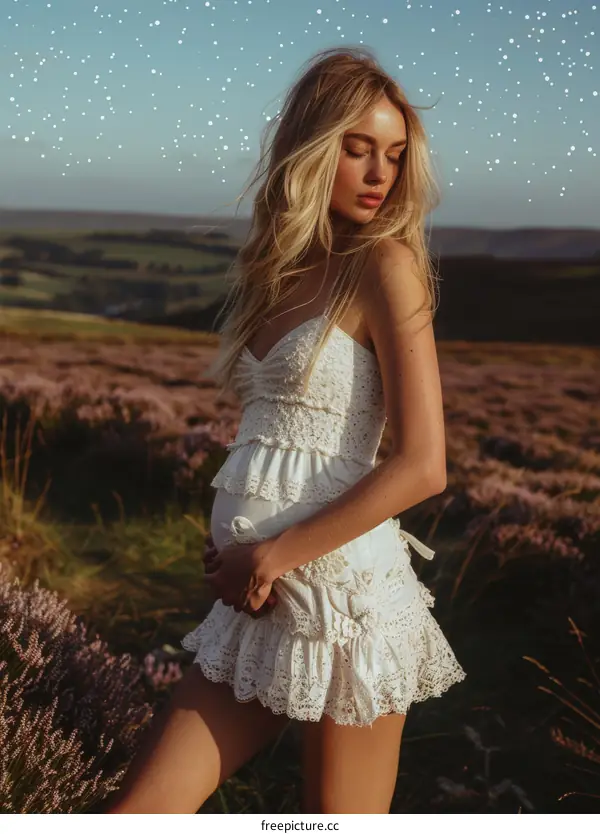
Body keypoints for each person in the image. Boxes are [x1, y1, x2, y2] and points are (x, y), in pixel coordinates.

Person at [106, 45, 466, 815]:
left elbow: (423, 465)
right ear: (311, 147)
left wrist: (271, 552)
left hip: (346, 606)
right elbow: (272, 439)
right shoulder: (278, 271)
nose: (379, 173)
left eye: (394, 154)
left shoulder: (386, 264)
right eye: (358, 148)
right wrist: (238, 543)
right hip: (256, 602)